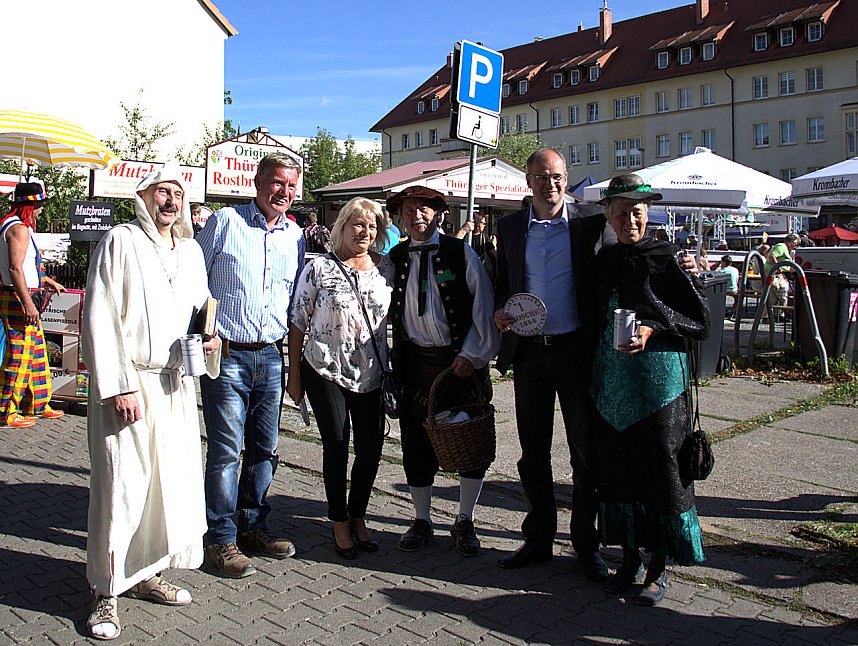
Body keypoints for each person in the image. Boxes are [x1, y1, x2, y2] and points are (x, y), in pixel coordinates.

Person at [493, 150, 699, 577]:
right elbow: (502, 282)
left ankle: (586, 546)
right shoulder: (509, 228)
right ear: (528, 181)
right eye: (540, 177)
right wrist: (500, 310)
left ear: (566, 178)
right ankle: (538, 538)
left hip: (576, 352)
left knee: (585, 455)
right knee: (533, 454)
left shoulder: (591, 223)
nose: (549, 184)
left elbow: (637, 249)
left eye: (556, 176)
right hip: (530, 352)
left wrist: (685, 264)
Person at [81, 165, 221, 640]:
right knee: (123, 487)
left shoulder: (192, 250)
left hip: (175, 384)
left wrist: (209, 344)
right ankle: (105, 592)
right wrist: (118, 385)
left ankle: (145, 574)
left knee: (167, 487)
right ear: (144, 194)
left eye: (178, 193)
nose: (171, 201)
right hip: (131, 384)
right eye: (163, 191)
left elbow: (203, 312)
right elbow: (99, 314)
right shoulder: (120, 242)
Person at [588, 174, 709, 606]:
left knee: (661, 469)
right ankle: (628, 559)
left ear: (647, 214)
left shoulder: (666, 256)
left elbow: (699, 321)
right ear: (609, 217)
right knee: (619, 472)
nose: (630, 220)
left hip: (659, 385)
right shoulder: (604, 259)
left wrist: (654, 329)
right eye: (621, 213)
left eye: (637, 212)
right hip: (614, 387)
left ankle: (658, 567)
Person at [196, 152, 305, 578]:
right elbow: (195, 278)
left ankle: (253, 525)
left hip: (270, 353)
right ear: (257, 182)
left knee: (266, 447)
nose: (284, 192)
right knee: (226, 449)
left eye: (291, 186)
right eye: (277, 183)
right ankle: (220, 539)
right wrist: (205, 330)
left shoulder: (294, 236)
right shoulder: (225, 222)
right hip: (227, 352)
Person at [386, 185, 499, 556]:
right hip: (415, 365)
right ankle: (422, 519)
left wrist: (473, 354)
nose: (416, 215)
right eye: (408, 209)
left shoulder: (460, 252)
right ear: (400, 216)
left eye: (423, 209)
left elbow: (483, 304)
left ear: (438, 215)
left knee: (470, 441)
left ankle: (465, 519)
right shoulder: (397, 256)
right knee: (416, 445)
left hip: (459, 364)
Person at [287, 198, 392, 559]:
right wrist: (295, 375)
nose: (364, 232)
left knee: (371, 448)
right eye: (357, 225)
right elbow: (298, 320)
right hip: (325, 368)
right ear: (343, 227)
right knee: (335, 442)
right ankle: (338, 521)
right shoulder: (319, 269)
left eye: (371, 227)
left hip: (372, 373)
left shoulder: (386, 269)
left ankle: (358, 514)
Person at [0, 182, 65, 428]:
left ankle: (36, 403)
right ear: (29, 205)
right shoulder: (18, 229)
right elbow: (15, 268)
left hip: (23, 294)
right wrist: (28, 304)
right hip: (18, 297)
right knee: (17, 355)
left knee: (37, 354)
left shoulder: (14, 226)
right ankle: (6, 410)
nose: (41, 210)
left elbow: (26, 266)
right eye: (38, 205)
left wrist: (47, 280)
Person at [764, 233, 800, 308]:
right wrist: (778, 266)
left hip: (779, 274)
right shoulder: (781, 246)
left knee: (774, 297)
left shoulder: (786, 249)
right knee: (781, 293)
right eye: (795, 244)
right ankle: (780, 313)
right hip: (774, 273)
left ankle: (776, 314)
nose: (795, 246)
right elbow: (772, 255)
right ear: (790, 242)